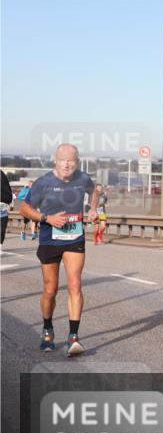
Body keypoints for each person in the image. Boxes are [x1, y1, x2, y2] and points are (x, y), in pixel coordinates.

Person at [18, 144, 97, 355]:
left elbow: (94, 191)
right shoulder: (44, 182)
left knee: (75, 284)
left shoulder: (83, 179)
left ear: (77, 162)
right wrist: (46, 218)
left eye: (71, 160)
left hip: (74, 238)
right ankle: (47, 329)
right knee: (50, 290)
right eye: (63, 159)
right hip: (48, 239)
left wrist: (94, 210)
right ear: (56, 161)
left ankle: (73, 337)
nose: (67, 163)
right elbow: (24, 208)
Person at [1, 170, 11, 244]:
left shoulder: (2, 176)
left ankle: (0, 245)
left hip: (3, 210)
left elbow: (9, 196)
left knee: (2, 230)